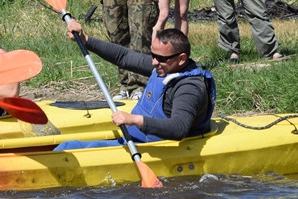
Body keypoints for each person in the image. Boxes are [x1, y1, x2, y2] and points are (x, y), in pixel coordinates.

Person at [55, 19, 215, 149]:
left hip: (153, 147)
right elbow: (124, 57)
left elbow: (179, 128)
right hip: (136, 139)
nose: (153, 62)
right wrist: (86, 40)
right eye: (153, 55)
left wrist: (135, 120)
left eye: (160, 58)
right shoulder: (165, 67)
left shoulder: (189, 88)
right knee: (68, 145)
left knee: (75, 148)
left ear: (181, 59)